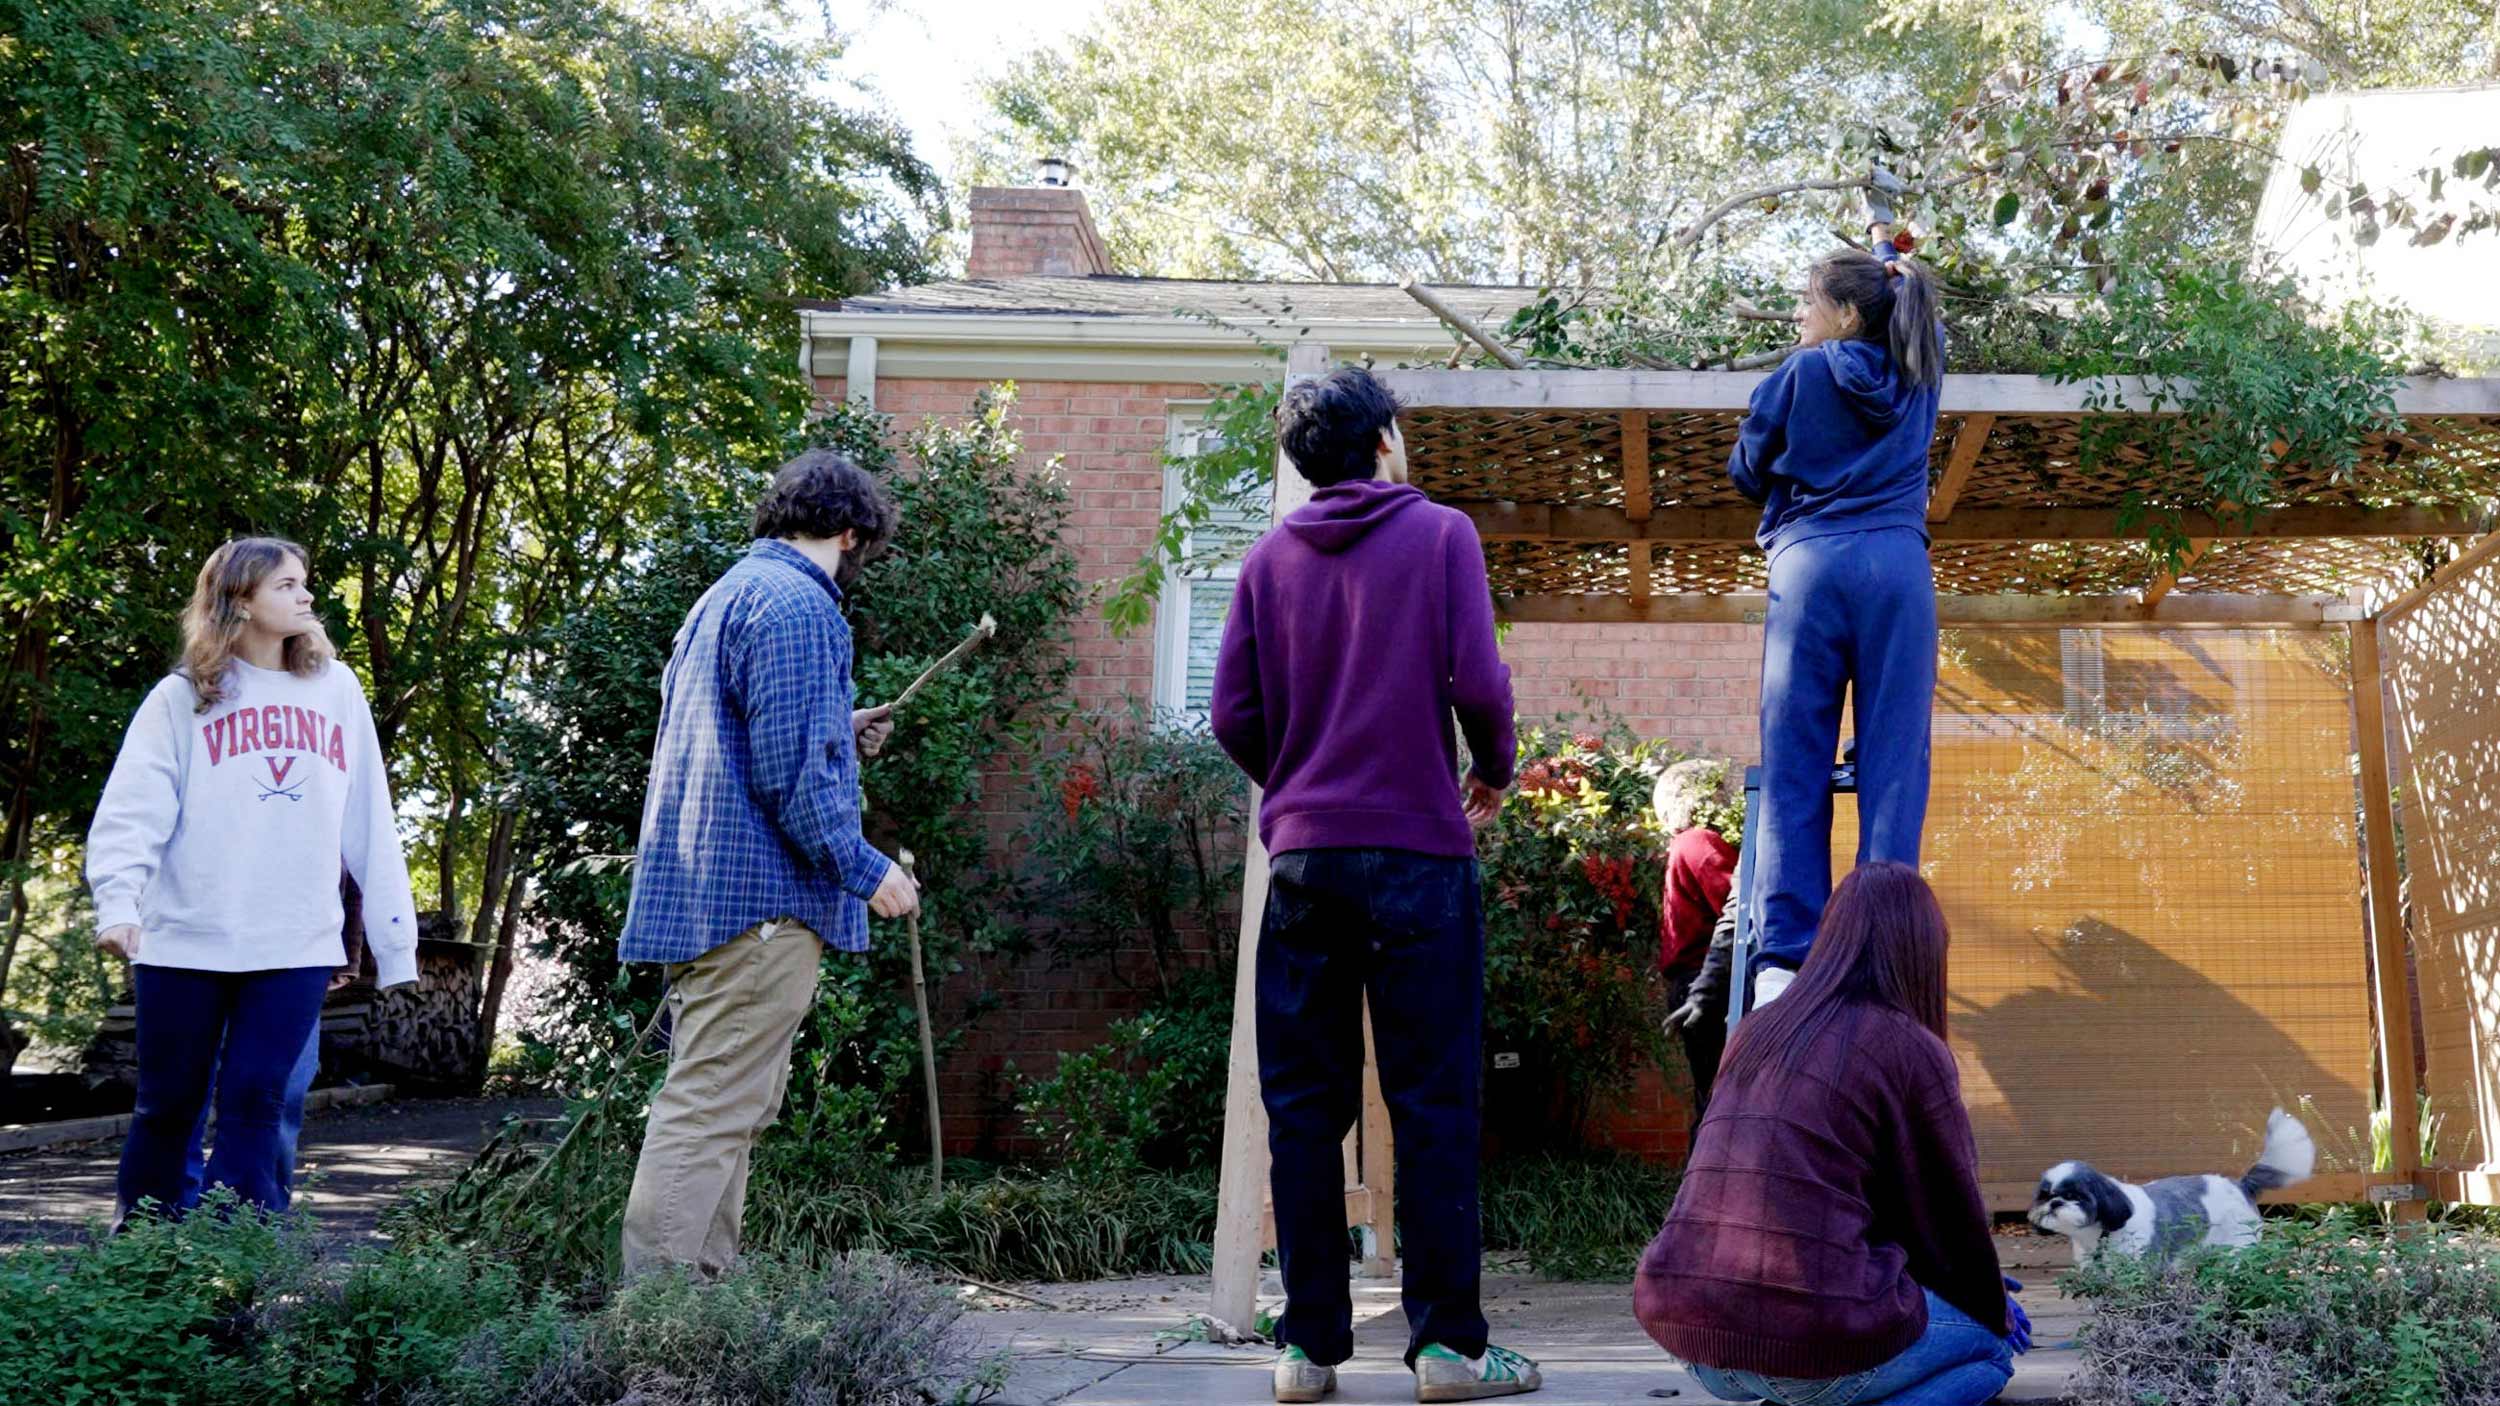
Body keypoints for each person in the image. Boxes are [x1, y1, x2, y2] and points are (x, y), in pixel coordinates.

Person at [1211, 366, 1541, 1405]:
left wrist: (1302, 787)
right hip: (1419, 859)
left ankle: (1306, 1349)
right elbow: (1479, 681)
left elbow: (1231, 714)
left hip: (1305, 861)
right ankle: (1448, 1350)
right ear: (1388, 439)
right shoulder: (1441, 535)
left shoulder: (1266, 562)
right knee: (1433, 1098)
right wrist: (1492, 767)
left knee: (1303, 1106)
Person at [617, 448, 917, 1280]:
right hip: (762, 910)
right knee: (712, 1108)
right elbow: (792, 777)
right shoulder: (801, 607)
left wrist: (836, 723)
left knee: (727, 1105)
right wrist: (868, 869)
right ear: (852, 532)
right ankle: (661, 1329)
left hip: (709, 899)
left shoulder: (726, 597)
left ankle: (700, 1317)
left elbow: (742, 740)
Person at [87, 537, 420, 1221]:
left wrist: (395, 942)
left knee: (256, 1105)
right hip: (184, 939)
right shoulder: (181, 697)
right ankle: (145, 1266)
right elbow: (132, 810)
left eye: (305, 584)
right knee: (166, 1108)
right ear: (238, 599)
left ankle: (229, 1279)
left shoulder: (336, 689)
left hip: (294, 941)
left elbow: (370, 821)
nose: (306, 597)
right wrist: (118, 902)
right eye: (287, 586)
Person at [1633, 863, 2029, 1406]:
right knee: (1989, 1350)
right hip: (1804, 1341)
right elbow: (1947, 1210)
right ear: (1923, 950)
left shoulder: (1758, 1030)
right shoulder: (1909, 1046)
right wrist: (1990, 1306)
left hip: (1694, 1339)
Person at [1731, 193, 1943, 1008]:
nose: (1796, 314)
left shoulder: (1802, 373)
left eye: (1807, 300)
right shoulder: (1923, 372)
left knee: (1797, 761)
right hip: (1898, 570)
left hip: (1811, 568)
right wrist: (1894, 256)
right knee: (1895, 763)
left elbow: (1749, 469)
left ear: (1848, 314)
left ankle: (1785, 960)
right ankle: (1882, 955)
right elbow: (1911, 306)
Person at [1651, 761, 1735, 1149]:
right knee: (1722, 1101)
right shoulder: (1699, 842)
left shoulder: (1682, 845)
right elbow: (1739, 903)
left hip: (1690, 982)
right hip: (1707, 982)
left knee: (1711, 1097)